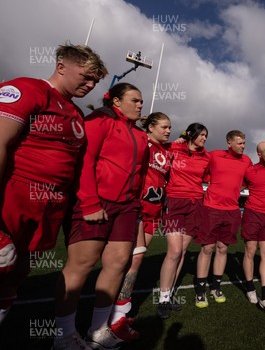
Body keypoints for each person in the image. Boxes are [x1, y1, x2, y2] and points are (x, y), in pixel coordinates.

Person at [0, 44, 106, 329]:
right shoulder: (27, 89)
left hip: (50, 203)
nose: (91, 84)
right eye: (86, 76)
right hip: (15, 193)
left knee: (18, 269)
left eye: (95, 80)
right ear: (61, 66)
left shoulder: (76, 113)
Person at [53, 82, 148, 349]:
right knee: (81, 265)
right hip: (95, 202)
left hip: (127, 208)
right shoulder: (99, 120)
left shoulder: (141, 136)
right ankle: (63, 335)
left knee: (118, 263)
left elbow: (140, 175)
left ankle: (98, 328)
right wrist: (90, 202)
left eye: (141, 101)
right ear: (116, 102)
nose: (140, 105)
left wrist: (136, 207)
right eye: (135, 100)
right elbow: (85, 159)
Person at [109, 112, 171, 339]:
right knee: (129, 260)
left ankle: (118, 312)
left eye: (170, 127)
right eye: (164, 127)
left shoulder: (168, 150)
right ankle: (115, 317)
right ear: (151, 127)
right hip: (135, 209)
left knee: (136, 260)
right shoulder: (143, 142)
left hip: (153, 213)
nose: (168, 130)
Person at [157, 123, 210, 318]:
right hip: (174, 201)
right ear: (191, 135)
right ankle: (162, 299)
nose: (205, 138)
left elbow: (209, 176)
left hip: (195, 204)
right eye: (201, 135)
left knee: (183, 252)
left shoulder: (206, 157)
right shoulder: (174, 148)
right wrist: (179, 141)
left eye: (206, 135)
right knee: (174, 251)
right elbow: (157, 147)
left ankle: (169, 296)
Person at [194, 130, 252, 307]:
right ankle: (201, 290)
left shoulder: (247, 161)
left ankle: (216, 286)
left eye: (244, 143)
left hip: (233, 210)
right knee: (207, 248)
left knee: (222, 249)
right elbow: (198, 163)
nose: (243, 146)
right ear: (229, 143)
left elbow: (251, 179)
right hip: (211, 208)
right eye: (240, 143)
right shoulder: (215, 155)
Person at [241, 141, 265, 315]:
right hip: (252, 214)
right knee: (250, 251)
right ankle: (250, 288)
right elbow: (237, 186)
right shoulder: (249, 171)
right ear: (259, 154)